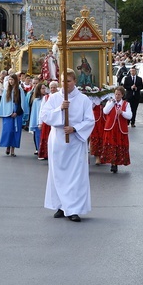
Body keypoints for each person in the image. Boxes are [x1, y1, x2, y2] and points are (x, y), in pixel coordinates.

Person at [40, 69, 95, 222]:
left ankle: (73, 209)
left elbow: (90, 120)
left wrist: (75, 128)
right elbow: (45, 116)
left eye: (69, 81)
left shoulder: (83, 99)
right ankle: (60, 205)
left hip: (75, 142)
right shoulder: (54, 98)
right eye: (63, 81)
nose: (65, 84)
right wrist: (60, 109)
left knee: (75, 176)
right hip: (58, 140)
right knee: (58, 174)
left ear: (75, 81)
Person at [100, 86, 132, 173]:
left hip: (120, 128)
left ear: (122, 95)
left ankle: (117, 163)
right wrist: (112, 103)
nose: (117, 96)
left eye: (119, 94)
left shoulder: (126, 104)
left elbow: (130, 115)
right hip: (111, 128)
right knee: (111, 144)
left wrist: (122, 113)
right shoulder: (110, 102)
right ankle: (112, 163)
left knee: (119, 145)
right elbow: (105, 111)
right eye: (116, 94)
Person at [0, 74, 23, 156]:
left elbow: (21, 103)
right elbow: (4, 103)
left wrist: (17, 112)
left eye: (12, 79)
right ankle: (7, 146)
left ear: (16, 80)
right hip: (8, 115)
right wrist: (7, 112)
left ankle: (13, 149)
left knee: (16, 132)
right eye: (9, 80)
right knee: (8, 131)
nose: (11, 81)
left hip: (17, 114)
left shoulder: (19, 90)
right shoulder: (6, 91)